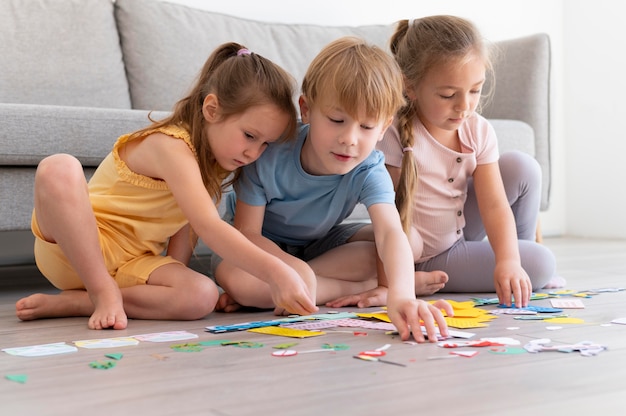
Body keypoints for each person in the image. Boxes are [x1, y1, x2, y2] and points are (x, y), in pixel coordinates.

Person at [14, 42, 312, 330]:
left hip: (133, 265)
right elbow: (209, 226)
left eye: (264, 145)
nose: (254, 153)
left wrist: (175, 279)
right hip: (77, 249)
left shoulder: (212, 166)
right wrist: (277, 273)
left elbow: (182, 238)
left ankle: (78, 303)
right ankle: (101, 292)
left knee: (202, 295)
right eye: (249, 136)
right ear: (212, 110)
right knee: (59, 167)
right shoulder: (169, 146)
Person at [214, 37, 453, 342]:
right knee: (239, 281)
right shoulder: (270, 153)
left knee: (410, 239)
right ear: (307, 110)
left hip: (319, 244)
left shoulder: (368, 167)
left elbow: (390, 232)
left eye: (366, 127)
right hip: (257, 248)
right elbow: (248, 234)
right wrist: (290, 274)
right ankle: (360, 288)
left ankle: (374, 286)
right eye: (337, 120)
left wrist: (403, 295)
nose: (349, 139)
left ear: (383, 128)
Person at [378, 15, 563, 308]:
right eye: (448, 94)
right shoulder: (394, 133)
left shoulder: (477, 129)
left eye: (475, 90)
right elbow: (387, 217)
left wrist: (509, 260)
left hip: (459, 230)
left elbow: (494, 204)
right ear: (410, 87)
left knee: (523, 167)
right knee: (542, 263)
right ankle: (525, 266)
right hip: (429, 255)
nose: (465, 106)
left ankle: (517, 266)